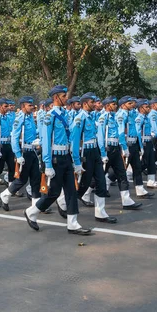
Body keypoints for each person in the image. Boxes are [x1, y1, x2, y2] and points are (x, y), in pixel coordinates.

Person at [24, 85, 92, 235]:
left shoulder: (66, 115)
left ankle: (73, 223)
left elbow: (72, 140)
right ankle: (32, 212)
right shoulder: (50, 117)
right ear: (56, 98)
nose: (66, 98)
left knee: (71, 191)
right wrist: (47, 164)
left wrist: (76, 162)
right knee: (53, 193)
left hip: (66, 157)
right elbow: (46, 141)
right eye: (63, 96)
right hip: (55, 158)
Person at [71, 92, 117, 223]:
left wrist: (102, 154)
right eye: (92, 102)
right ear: (85, 103)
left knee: (101, 181)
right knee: (84, 183)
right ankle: (67, 204)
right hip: (86, 153)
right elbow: (74, 141)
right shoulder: (80, 118)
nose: (96, 104)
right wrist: (77, 161)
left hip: (95, 151)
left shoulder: (91, 117)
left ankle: (100, 213)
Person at [0, 96, 41, 211]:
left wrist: (39, 136)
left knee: (36, 178)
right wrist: (18, 155)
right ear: (23, 106)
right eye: (29, 105)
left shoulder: (30, 118)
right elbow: (14, 137)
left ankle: (35, 206)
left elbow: (33, 132)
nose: (32, 107)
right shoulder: (19, 119)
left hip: (32, 151)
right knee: (22, 179)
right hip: (24, 152)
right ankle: (5, 194)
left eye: (32, 105)